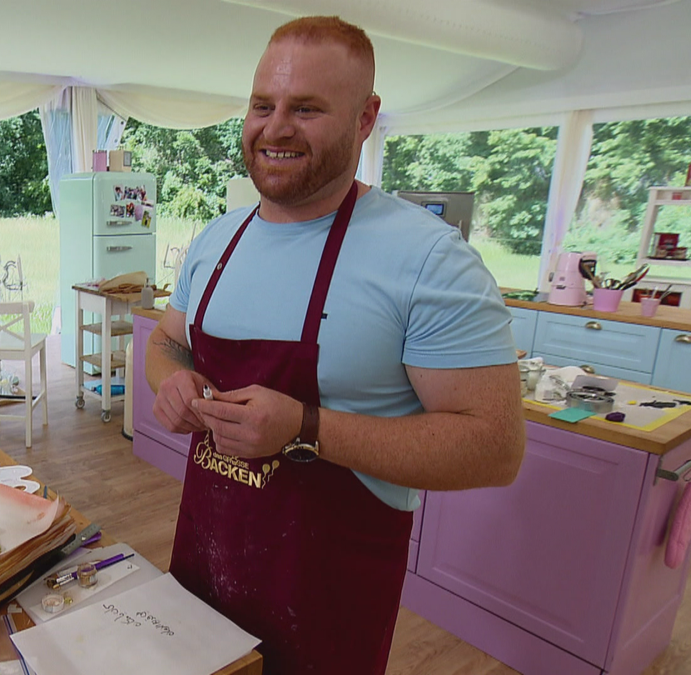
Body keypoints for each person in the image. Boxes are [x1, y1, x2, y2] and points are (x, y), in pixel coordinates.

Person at [146, 16, 526, 674]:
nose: (276, 127)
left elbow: (495, 446)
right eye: (263, 105)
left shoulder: (429, 260)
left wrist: (304, 427)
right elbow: (165, 344)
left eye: (307, 108)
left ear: (366, 117)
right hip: (204, 576)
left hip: (328, 601)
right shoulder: (216, 241)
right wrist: (170, 383)